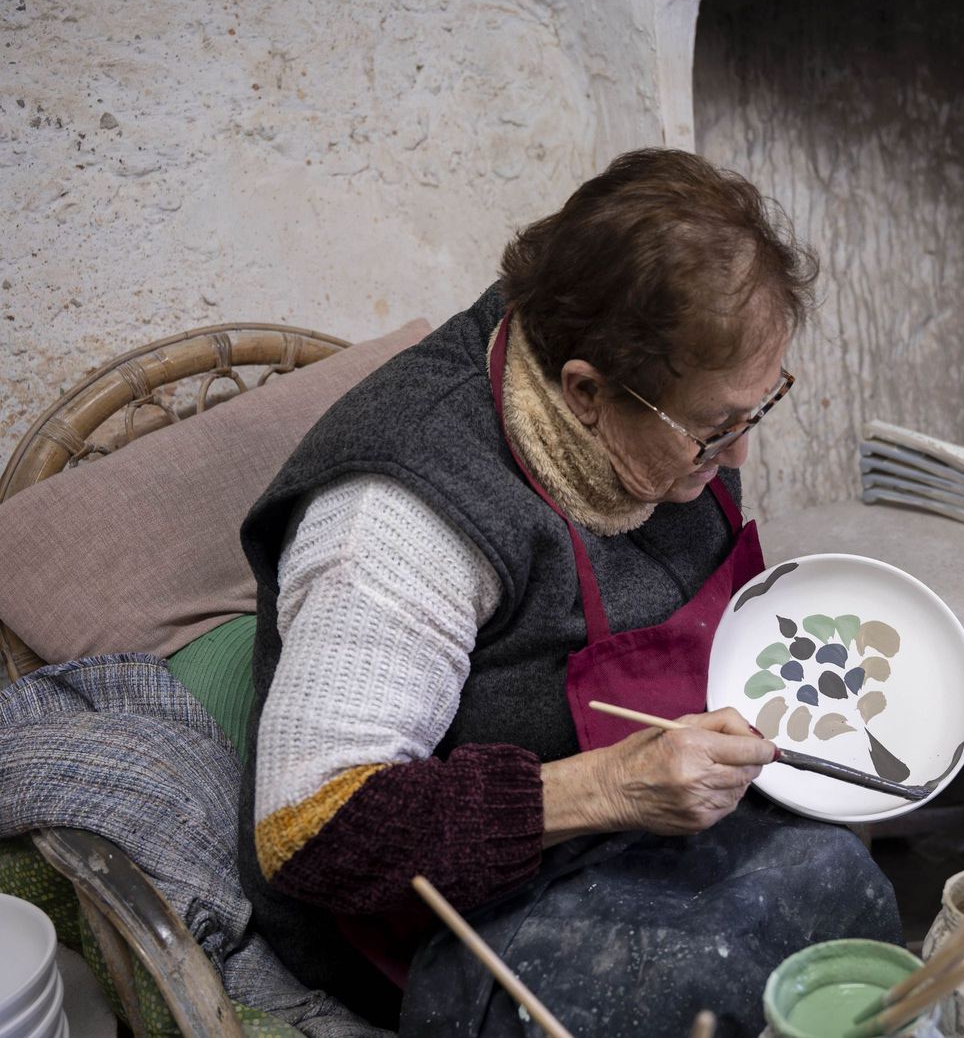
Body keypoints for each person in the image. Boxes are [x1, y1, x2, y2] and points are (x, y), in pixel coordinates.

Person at [236, 149, 902, 1036]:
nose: (739, 456)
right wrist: (608, 789)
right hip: (457, 916)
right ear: (586, 391)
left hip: (645, 840)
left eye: (756, 413)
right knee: (710, 990)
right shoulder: (395, 521)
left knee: (848, 898)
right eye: (714, 431)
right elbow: (313, 831)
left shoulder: (660, 424)